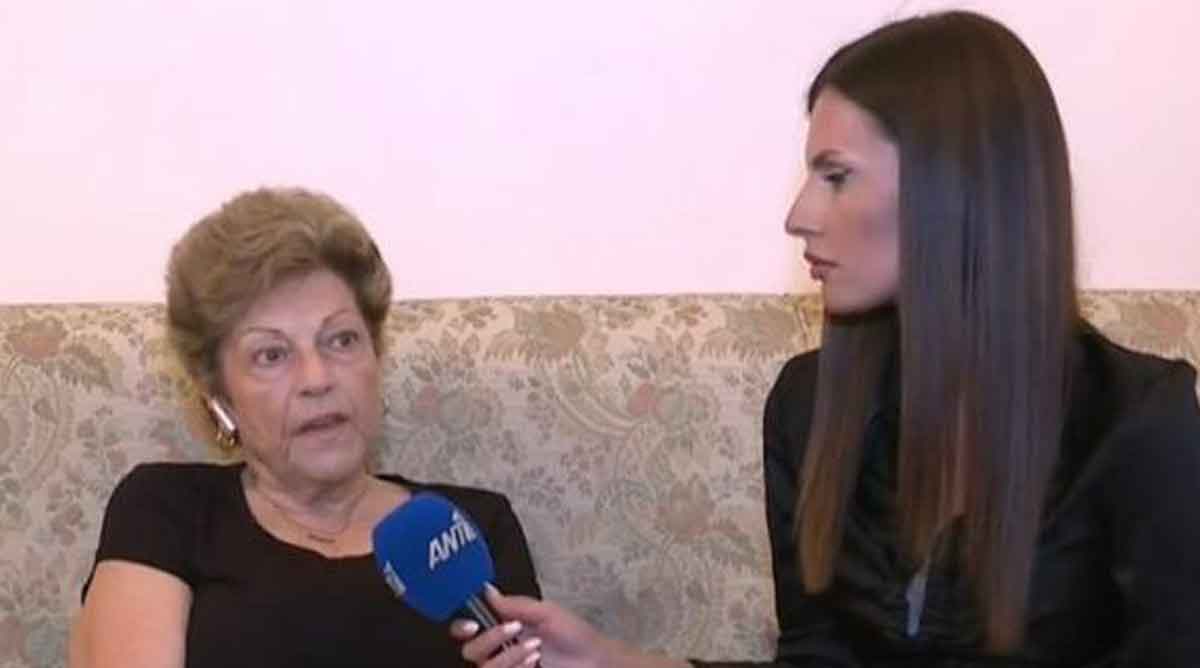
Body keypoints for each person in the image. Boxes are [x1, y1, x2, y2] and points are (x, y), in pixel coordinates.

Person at [452, 10, 1200, 667]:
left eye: (836, 176)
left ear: (954, 188)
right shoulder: (807, 406)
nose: (799, 215)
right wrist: (617, 662)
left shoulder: (1142, 423)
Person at [68, 187, 541, 667]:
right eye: (271, 355)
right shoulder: (167, 510)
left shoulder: (471, 528)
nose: (317, 379)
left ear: (376, 357)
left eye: (341, 340)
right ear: (220, 396)